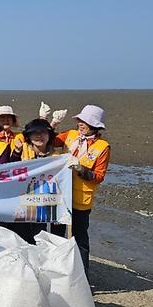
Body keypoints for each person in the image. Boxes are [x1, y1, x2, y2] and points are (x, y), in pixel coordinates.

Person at [55, 105, 110, 273]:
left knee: (80, 239)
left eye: (85, 121)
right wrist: (52, 123)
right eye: (80, 120)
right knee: (57, 235)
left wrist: (81, 169)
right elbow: (47, 140)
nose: (80, 124)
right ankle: (57, 270)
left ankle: (83, 278)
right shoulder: (70, 136)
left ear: (95, 125)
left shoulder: (102, 147)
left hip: (81, 200)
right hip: (60, 195)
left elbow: (99, 176)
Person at [7, 118, 65, 243]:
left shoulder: (57, 158)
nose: (39, 136)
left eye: (43, 132)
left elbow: (61, 186)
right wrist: (17, 152)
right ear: (28, 136)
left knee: (39, 238)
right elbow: (9, 171)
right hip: (21, 204)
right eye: (35, 133)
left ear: (49, 135)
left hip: (42, 206)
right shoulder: (22, 150)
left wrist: (58, 211)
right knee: (21, 237)